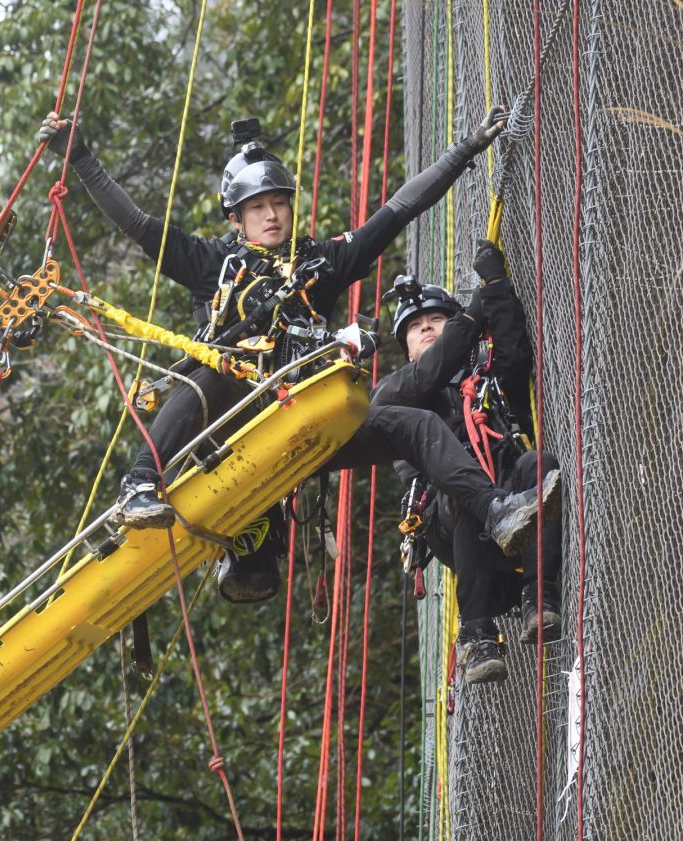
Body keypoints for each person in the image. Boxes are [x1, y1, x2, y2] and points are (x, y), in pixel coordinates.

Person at [38, 110, 557, 604]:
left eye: (279, 203)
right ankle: (140, 482)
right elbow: (137, 225)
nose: (271, 214)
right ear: (236, 216)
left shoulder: (320, 262)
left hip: (306, 417)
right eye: (258, 207)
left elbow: (398, 210)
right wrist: (81, 158)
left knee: (414, 426)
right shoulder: (211, 263)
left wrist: (464, 151)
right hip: (235, 418)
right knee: (212, 374)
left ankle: (496, 512)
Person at [374, 240, 562, 683]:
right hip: (453, 517)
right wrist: (471, 315)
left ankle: (540, 597)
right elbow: (429, 373)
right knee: (462, 493)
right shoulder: (398, 394)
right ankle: (477, 636)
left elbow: (515, 353)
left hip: (509, 492)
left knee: (541, 465)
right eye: (416, 326)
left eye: (436, 319)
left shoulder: (484, 376)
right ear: (406, 347)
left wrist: (495, 287)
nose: (427, 329)